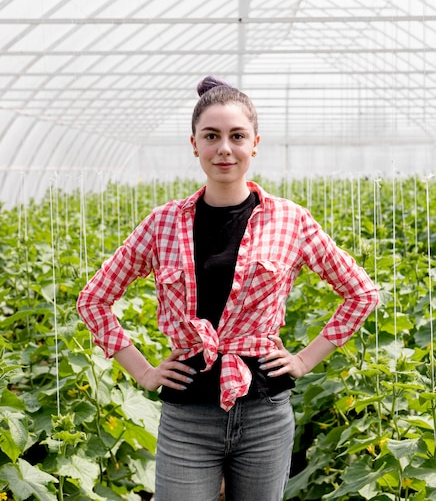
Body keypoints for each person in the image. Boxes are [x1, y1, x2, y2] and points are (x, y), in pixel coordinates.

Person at [77, 75, 379, 501]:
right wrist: (144, 372)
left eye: (237, 136)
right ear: (194, 144)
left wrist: (305, 361)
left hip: (264, 413)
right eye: (211, 136)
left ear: (255, 143)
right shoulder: (162, 223)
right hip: (188, 416)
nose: (224, 148)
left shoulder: (289, 220)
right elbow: (94, 299)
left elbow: (361, 292)